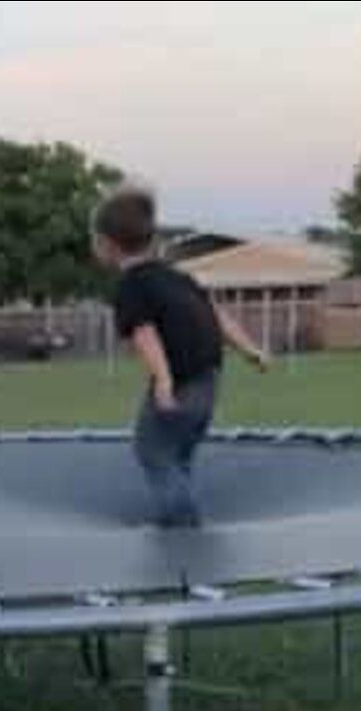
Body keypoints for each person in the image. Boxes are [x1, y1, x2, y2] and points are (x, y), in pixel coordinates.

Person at [91, 186, 270, 528]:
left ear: (107, 244)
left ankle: (184, 527)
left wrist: (162, 379)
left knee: (152, 450)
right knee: (178, 456)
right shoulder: (180, 277)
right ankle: (175, 518)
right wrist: (250, 350)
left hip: (180, 383)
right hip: (209, 383)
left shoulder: (131, 284)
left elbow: (145, 333)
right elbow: (217, 315)